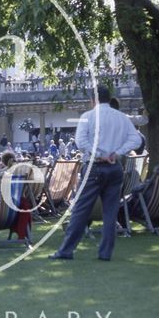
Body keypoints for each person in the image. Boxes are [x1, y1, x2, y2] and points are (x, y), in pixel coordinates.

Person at [50, 85, 141, 261]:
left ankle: (66, 250)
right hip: (115, 167)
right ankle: (105, 252)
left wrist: (100, 154)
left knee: (81, 209)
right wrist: (118, 152)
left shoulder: (88, 117)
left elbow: (81, 142)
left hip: (94, 166)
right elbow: (136, 139)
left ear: (93, 100)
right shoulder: (122, 118)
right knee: (110, 212)